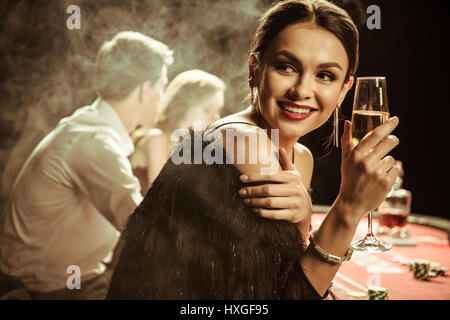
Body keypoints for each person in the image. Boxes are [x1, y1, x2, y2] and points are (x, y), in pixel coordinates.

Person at [109, 0, 400, 299]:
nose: (301, 90)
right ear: (254, 69)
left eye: (325, 75)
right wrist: (348, 208)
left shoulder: (300, 157)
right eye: (286, 66)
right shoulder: (247, 145)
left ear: (344, 90)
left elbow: (282, 278)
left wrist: (303, 222)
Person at [0, 31, 173, 299]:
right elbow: (142, 226)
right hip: (52, 291)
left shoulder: (90, 126)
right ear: (144, 90)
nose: (163, 99)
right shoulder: (93, 141)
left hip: (72, 281)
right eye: (162, 86)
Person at [129, 69, 225, 194]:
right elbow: (160, 201)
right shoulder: (157, 139)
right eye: (207, 110)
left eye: (217, 112)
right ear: (182, 106)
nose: (215, 119)